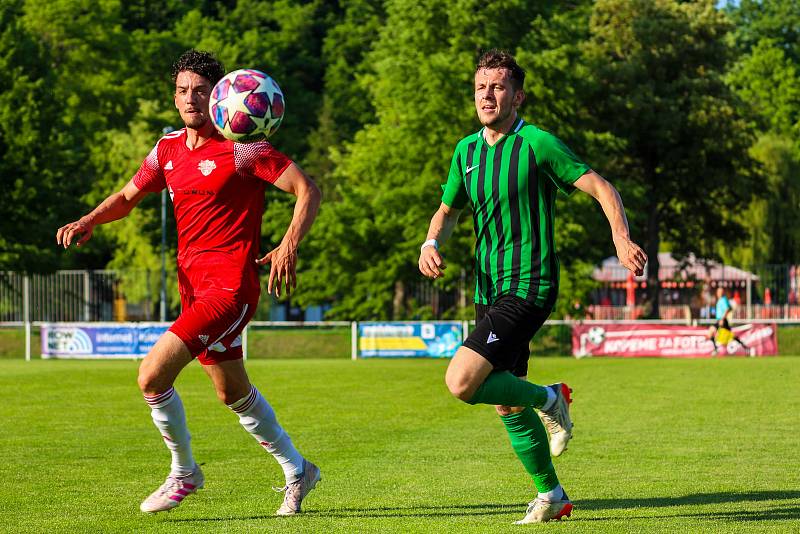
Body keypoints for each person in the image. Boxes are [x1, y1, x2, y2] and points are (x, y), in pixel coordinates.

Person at [56, 50, 322, 516]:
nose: (189, 98)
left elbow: (307, 189)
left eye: (200, 90)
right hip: (192, 289)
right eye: (182, 90)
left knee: (152, 374)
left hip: (230, 288)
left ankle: (184, 472)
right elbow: (125, 197)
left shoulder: (244, 145)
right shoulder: (167, 150)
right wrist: (90, 219)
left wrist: (288, 243)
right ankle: (299, 469)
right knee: (231, 392)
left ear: (219, 95)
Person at [418, 50, 646, 524]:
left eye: (498, 87)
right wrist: (430, 241)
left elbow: (603, 187)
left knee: (461, 382)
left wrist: (620, 238)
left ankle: (550, 399)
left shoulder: (537, 144)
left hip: (530, 282)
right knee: (505, 398)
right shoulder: (466, 152)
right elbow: (448, 210)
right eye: (481, 86)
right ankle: (553, 495)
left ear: (517, 96)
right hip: (488, 289)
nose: (487, 94)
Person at [708, 286, 749, 355]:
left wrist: (722, 319)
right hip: (719, 320)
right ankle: (745, 347)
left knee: (730, 336)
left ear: (722, 292)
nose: (718, 293)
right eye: (718, 292)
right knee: (729, 335)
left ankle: (745, 348)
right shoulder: (721, 300)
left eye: (720, 292)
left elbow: (728, 309)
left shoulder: (723, 300)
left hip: (722, 320)